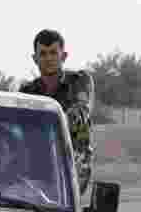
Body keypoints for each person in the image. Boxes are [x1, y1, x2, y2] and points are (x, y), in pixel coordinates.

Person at [18, 29, 95, 195]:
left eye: (53, 52)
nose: (49, 58)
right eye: (43, 54)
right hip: (37, 167)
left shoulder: (79, 81)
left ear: (64, 56)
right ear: (35, 58)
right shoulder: (27, 91)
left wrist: (48, 125)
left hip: (73, 165)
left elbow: (80, 113)